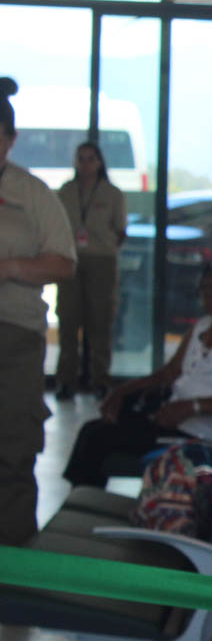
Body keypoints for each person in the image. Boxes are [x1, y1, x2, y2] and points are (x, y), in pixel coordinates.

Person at [63, 260, 212, 488]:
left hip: (209, 439)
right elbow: (170, 373)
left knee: (97, 438)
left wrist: (191, 407)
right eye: (209, 289)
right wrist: (122, 391)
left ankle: (84, 499)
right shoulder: (204, 326)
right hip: (176, 422)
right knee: (96, 428)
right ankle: (83, 499)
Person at [0, 77, 76, 545]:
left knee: (12, 448)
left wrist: (10, 268)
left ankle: (11, 559)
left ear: (10, 140)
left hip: (14, 336)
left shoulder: (31, 194)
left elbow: (64, 263)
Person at [55, 138, 127, 397]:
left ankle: (100, 379)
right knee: (68, 320)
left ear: (99, 163)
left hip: (101, 261)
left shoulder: (112, 193)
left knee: (100, 321)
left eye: (91, 159)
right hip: (70, 261)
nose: (85, 164)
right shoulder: (65, 191)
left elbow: (121, 231)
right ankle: (66, 380)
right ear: (75, 162)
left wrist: (105, 248)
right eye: (81, 159)